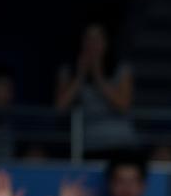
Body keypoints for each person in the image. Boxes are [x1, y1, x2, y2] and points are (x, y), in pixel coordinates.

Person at [54, 23, 136, 156]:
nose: (92, 45)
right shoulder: (69, 70)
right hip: (88, 143)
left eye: (97, 40)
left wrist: (98, 76)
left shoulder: (121, 69)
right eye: (88, 39)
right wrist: (80, 76)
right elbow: (59, 107)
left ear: (106, 43)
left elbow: (123, 106)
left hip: (121, 142)